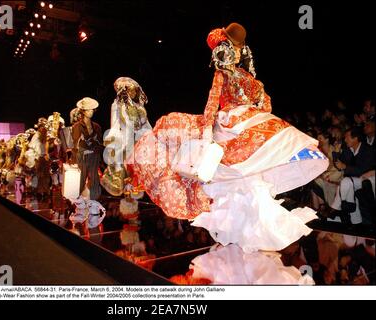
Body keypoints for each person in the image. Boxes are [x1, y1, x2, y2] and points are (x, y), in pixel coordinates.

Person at [127, 23, 328, 252]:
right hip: (244, 123)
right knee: (247, 173)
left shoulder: (231, 74)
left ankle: (240, 230)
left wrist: (206, 131)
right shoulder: (244, 78)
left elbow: (223, 104)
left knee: (237, 173)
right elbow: (257, 105)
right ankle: (247, 230)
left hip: (236, 122)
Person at [101, 77, 152, 196]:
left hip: (139, 139)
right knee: (122, 164)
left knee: (139, 166)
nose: (133, 93)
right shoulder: (117, 105)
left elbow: (145, 123)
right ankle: (119, 185)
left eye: (135, 90)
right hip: (125, 138)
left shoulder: (139, 106)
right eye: (131, 90)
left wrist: (150, 135)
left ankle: (134, 188)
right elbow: (114, 123)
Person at [72, 97, 103, 200]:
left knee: (94, 178)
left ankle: (94, 201)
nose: (91, 112)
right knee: (81, 178)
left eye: (92, 110)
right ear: (83, 111)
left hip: (94, 155)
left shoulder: (97, 126)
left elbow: (99, 143)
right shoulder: (77, 126)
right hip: (82, 156)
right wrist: (74, 159)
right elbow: (75, 144)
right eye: (88, 110)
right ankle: (77, 201)